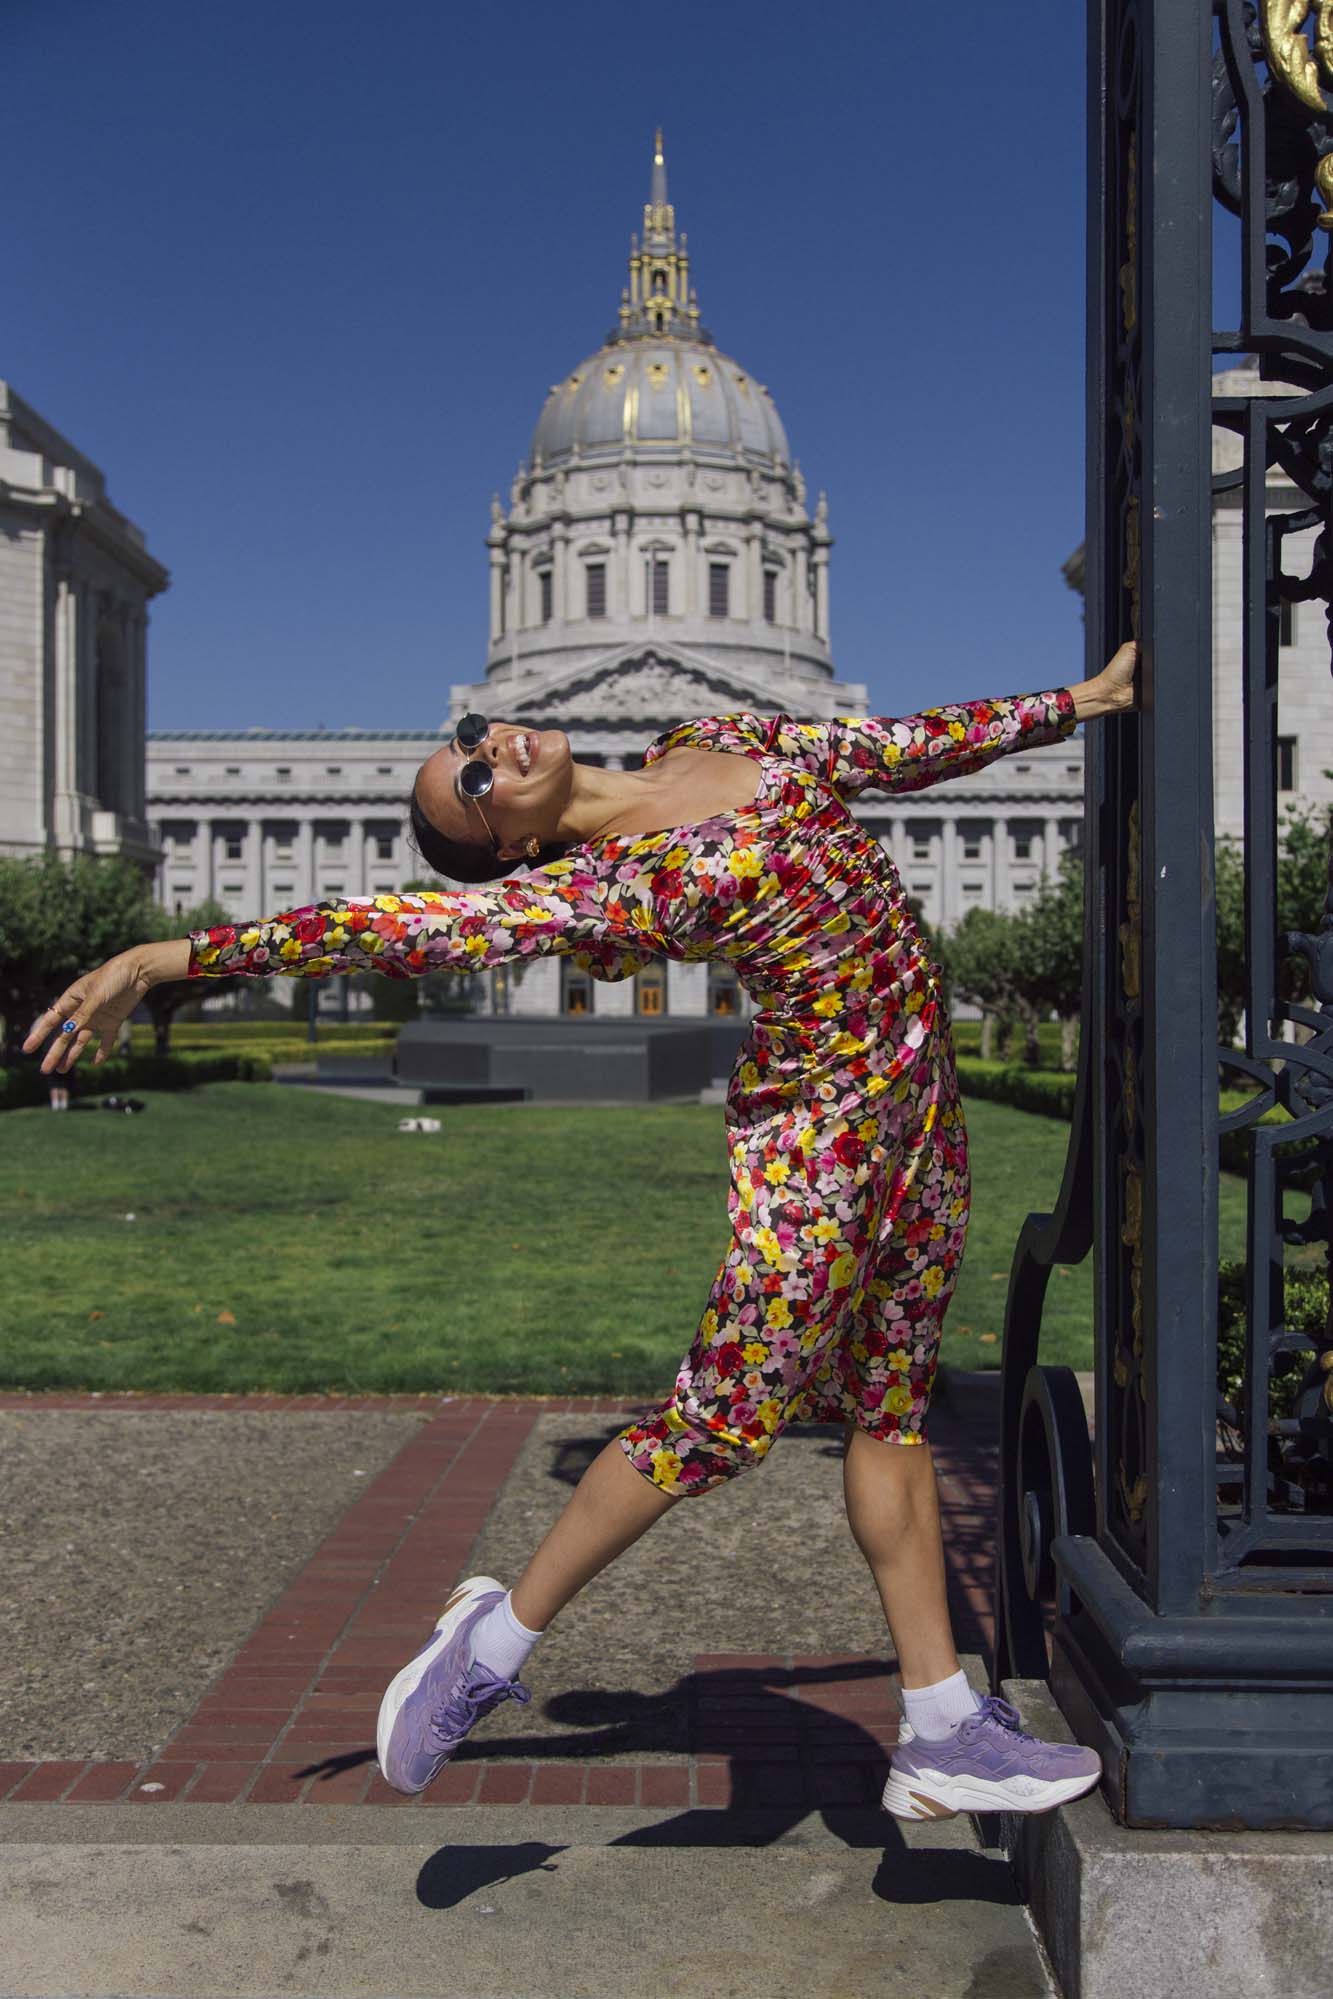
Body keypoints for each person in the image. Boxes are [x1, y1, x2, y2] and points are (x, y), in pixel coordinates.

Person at [26, 646, 1137, 1822]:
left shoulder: (722, 741)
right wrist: (171, 955)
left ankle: (943, 1724)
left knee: (890, 1411)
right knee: (715, 1424)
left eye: (468, 739)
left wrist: (1078, 703)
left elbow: (887, 751)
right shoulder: (607, 884)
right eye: (467, 782)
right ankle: (488, 1650)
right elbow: (399, 926)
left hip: (921, 1121)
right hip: (819, 1143)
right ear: (508, 842)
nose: (486, 750)